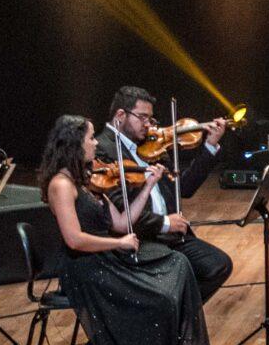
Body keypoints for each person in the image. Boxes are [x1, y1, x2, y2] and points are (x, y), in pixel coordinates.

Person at [39, 114, 214, 345]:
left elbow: (122, 222)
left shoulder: (86, 180)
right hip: (86, 268)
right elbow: (74, 239)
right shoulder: (60, 185)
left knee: (178, 263)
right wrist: (118, 244)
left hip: (106, 258)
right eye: (90, 137)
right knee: (161, 298)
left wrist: (148, 186)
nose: (95, 143)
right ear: (74, 143)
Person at [96, 87, 234, 301]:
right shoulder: (102, 150)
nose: (149, 125)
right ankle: (167, 319)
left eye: (151, 119)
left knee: (218, 265)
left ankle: (173, 318)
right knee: (181, 272)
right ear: (121, 115)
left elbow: (184, 188)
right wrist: (165, 223)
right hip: (140, 239)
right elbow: (120, 211)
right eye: (142, 118)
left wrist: (210, 145)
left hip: (170, 236)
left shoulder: (153, 146)